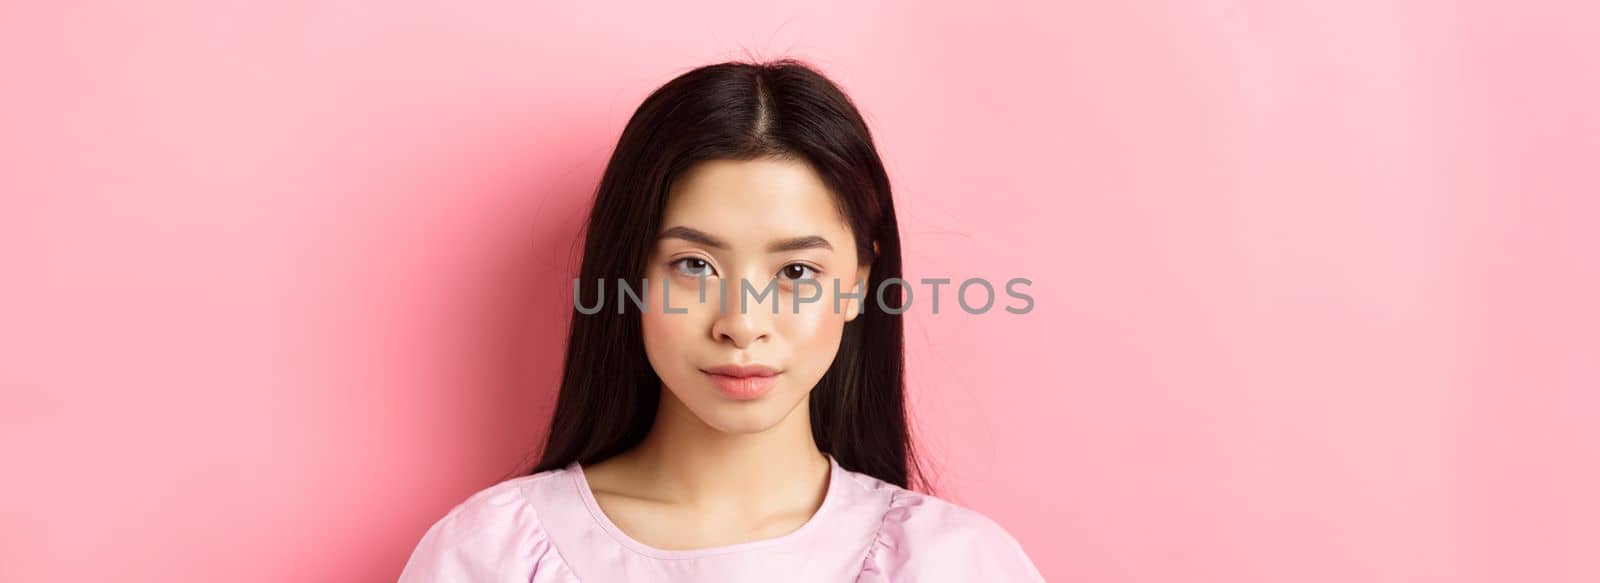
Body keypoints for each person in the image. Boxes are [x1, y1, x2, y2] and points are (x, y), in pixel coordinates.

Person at [398, 58, 1045, 582]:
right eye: (694, 265)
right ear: (629, 277)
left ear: (856, 287)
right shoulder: (489, 556)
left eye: (796, 273)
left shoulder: (954, 562)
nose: (742, 322)